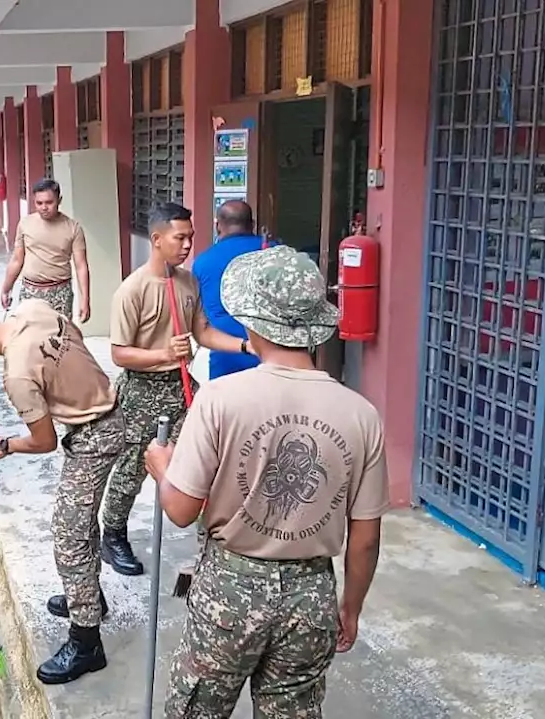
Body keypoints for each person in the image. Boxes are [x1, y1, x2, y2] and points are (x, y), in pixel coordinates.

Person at [143, 245, 389, 719]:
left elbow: (179, 509)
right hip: (312, 592)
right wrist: (350, 607)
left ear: (252, 324)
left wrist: (162, 467)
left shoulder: (220, 400)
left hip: (230, 591)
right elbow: (366, 539)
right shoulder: (361, 415)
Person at [0, 301, 122, 685]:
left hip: (96, 436)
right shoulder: (32, 310)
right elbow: (76, 340)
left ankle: (87, 643)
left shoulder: (17, 375)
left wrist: (5, 445)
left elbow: (44, 441)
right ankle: (89, 599)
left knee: (69, 537)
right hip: (104, 410)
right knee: (81, 524)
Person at [100, 202, 252, 577]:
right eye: (179, 237)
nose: (187, 245)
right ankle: (113, 535)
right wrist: (163, 353)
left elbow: (202, 331)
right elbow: (120, 354)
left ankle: (211, 542)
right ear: (156, 239)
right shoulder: (131, 290)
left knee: (206, 462)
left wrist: (247, 345)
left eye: (191, 237)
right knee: (132, 469)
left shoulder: (187, 282)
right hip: (141, 391)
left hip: (182, 389)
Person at [192, 200, 267, 380]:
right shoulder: (275, 253)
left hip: (224, 357)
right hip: (271, 356)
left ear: (218, 225)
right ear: (252, 225)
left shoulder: (203, 262)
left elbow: (199, 317)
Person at [0, 179, 91, 323]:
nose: (44, 207)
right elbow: (17, 260)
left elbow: (81, 267)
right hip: (31, 291)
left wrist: (85, 300)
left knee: (60, 340)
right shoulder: (25, 224)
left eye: (49, 202)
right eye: (39, 203)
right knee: (28, 338)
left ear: (59, 200)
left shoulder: (73, 228)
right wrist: (6, 288)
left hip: (60, 292)